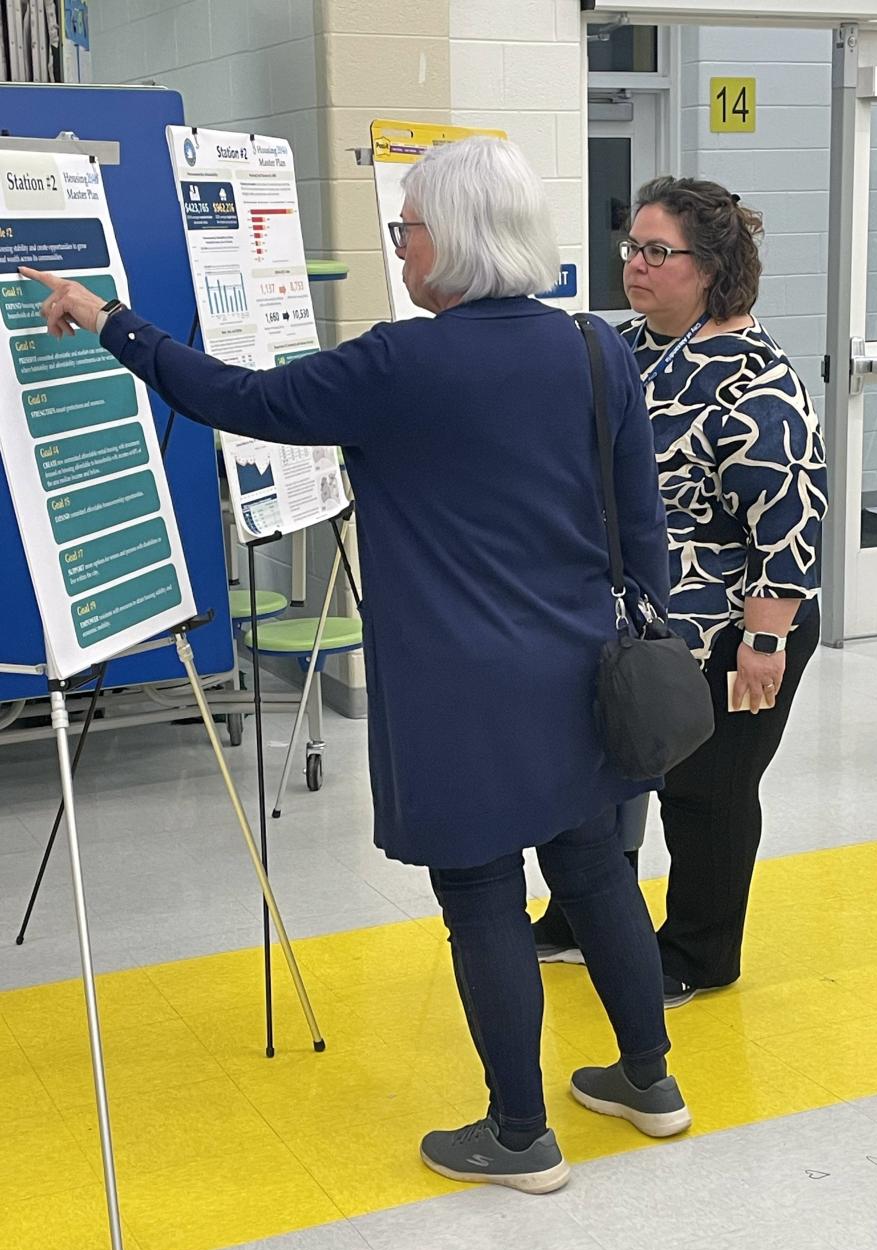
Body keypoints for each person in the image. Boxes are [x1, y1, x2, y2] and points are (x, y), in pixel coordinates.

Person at [23, 138, 693, 1195]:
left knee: (480, 890)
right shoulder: (593, 348)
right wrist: (643, 635)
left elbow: (238, 398)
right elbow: (641, 522)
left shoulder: (401, 364)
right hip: (586, 670)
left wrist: (112, 321)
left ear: (454, 239)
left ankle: (520, 1133)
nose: (400, 246)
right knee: (595, 867)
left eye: (406, 228)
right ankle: (650, 1082)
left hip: (461, 688)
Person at [533, 176, 828, 1007]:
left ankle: (700, 949)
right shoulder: (622, 349)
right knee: (605, 769)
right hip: (637, 622)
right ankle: (581, 914)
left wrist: (763, 643)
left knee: (707, 791)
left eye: (658, 252)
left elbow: (789, 524)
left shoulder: (757, 381)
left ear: (711, 269)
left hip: (736, 627)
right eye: (633, 247)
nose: (635, 264)